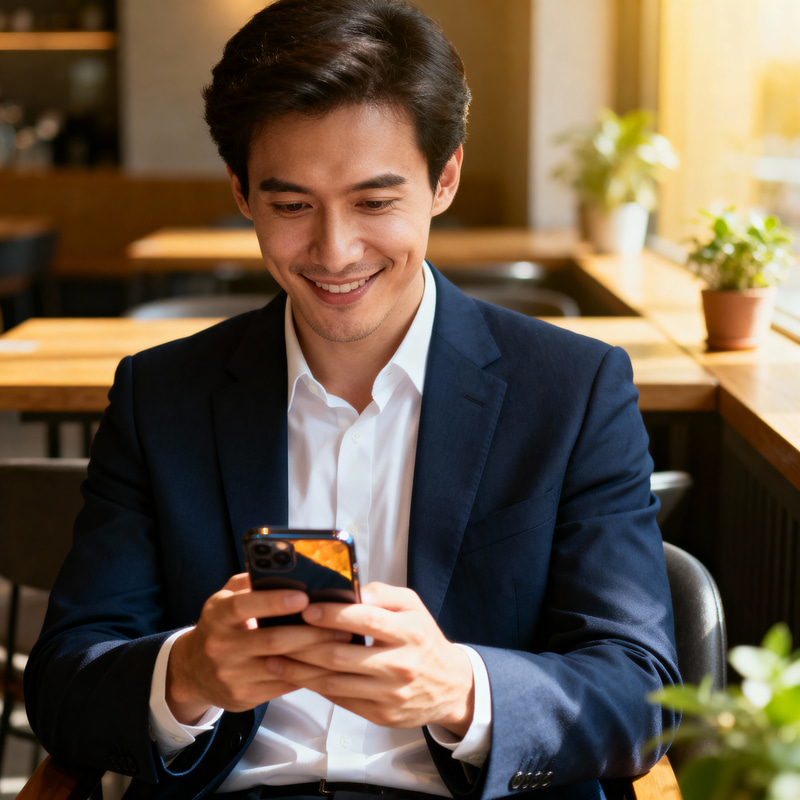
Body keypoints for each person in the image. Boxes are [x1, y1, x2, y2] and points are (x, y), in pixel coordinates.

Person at [24, 1, 680, 798]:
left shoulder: (572, 392)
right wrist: (186, 675)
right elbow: (63, 684)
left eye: (374, 202)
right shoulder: (160, 397)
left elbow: (640, 695)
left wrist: (461, 691)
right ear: (241, 192)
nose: (334, 252)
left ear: (445, 179)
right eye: (292, 206)